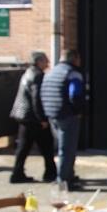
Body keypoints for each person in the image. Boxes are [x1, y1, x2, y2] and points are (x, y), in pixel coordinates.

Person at [9, 51, 57, 183]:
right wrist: (42, 119)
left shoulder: (28, 72)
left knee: (24, 147)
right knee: (46, 146)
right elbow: (36, 99)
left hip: (23, 115)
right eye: (45, 60)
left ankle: (17, 173)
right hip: (32, 118)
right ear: (39, 62)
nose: (48, 63)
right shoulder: (37, 75)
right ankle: (50, 174)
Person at [41, 49, 85, 190]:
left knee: (61, 148)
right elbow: (75, 94)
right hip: (67, 116)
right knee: (67, 149)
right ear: (74, 59)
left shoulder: (51, 72)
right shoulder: (72, 73)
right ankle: (64, 181)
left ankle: (68, 175)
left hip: (52, 115)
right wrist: (78, 111)